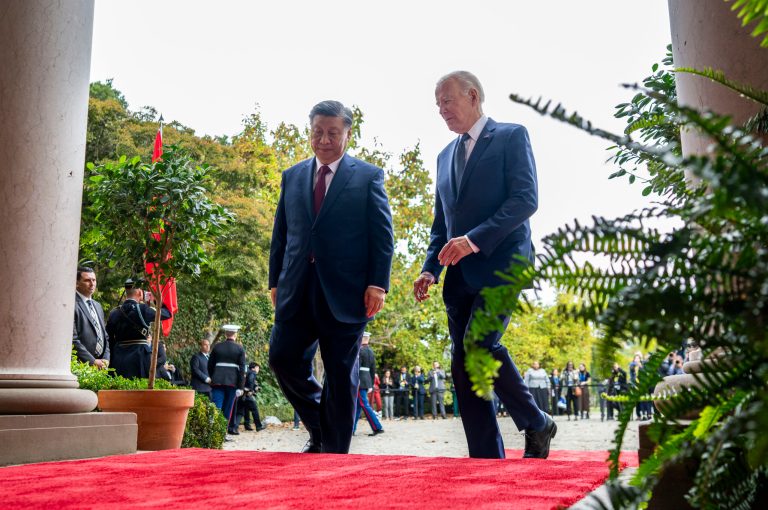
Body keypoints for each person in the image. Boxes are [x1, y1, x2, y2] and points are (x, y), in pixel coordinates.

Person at [413, 70, 555, 459]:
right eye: (437, 104)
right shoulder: (444, 156)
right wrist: (430, 268)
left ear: (472, 96)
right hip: (458, 276)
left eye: (447, 100)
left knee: (479, 344)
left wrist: (473, 240)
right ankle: (486, 457)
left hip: (503, 264)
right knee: (463, 365)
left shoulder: (512, 135)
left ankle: (537, 422)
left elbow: (525, 199)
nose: (441, 110)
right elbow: (441, 223)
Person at [267, 100, 394, 454]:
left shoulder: (368, 176)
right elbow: (282, 234)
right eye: (318, 131)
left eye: (333, 132)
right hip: (295, 289)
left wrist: (378, 283)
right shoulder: (292, 176)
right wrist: (274, 281)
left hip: (348, 292)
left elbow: (383, 236)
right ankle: (322, 425)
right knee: (282, 358)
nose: (324, 139)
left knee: (340, 373)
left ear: (347, 134)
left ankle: (334, 454)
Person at [106, 280, 172, 379]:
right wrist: (156, 299)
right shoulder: (143, 309)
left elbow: (109, 339)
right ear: (139, 292)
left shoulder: (114, 312)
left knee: (119, 391)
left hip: (118, 358)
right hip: (139, 357)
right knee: (140, 391)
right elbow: (167, 313)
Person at [209, 325, 246, 436]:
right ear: (235, 334)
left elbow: (210, 365)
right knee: (228, 408)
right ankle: (222, 433)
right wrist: (240, 387)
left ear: (226, 334)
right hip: (232, 382)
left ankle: (214, 432)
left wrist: (212, 377)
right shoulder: (239, 348)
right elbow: (242, 369)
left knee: (217, 406)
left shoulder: (217, 347)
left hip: (217, 381)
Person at [73, 267, 110, 368]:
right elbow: (73, 339)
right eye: (87, 280)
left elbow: (104, 336)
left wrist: (106, 359)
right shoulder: (71, 304)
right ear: (77, 283)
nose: (92, 283)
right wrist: (92, 361)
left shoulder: (98, 306)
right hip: (80, 365)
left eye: (94, 280)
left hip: (100, 365)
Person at [353, 332, 384, 436]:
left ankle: (377, 427)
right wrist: (370, 384)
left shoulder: (359, 350)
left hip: (359, 381)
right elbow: (373, 369)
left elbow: (356, 368)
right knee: (358, 405)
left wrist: (353, 381)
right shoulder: (371, 351)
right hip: (366, 381)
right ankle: (351, 429)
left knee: (364, 404)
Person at [236, 362, 265, 432]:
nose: (258, 369)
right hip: (247, 395)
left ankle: (234, 427)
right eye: (258, 368)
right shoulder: (252, 373)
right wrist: (251, 390)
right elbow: (250, 381)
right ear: (254, 368)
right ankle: (258, 426)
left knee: (240, 412)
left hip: (241, 394)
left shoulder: (246, 372)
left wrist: (254, 388)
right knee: (254, 409)